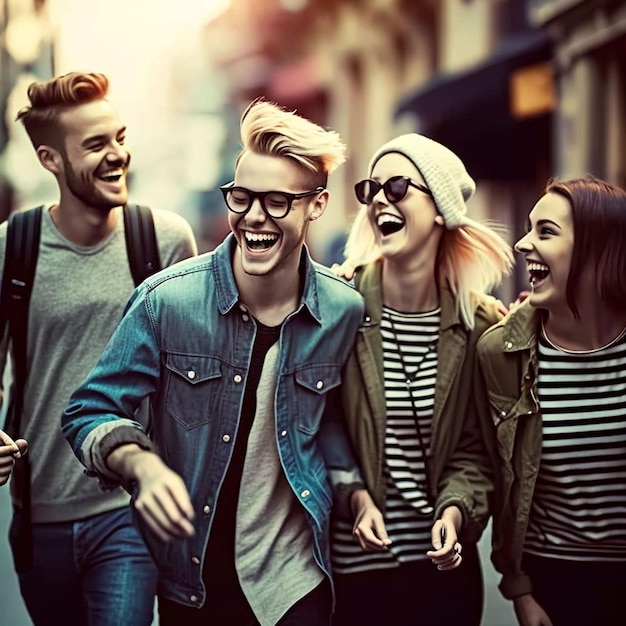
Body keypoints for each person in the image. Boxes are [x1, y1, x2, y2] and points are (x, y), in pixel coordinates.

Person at [62, 99, 366, 626]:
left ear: (316, 205)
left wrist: (350, 491)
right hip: (194, 583)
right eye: (242, 197)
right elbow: (87, 412)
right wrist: (144, 464)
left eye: (276, 202)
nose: (253, 217)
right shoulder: (167, 302)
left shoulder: (343, 309)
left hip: (295, 578)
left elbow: (327, 422)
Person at [0, 71, 197, 626]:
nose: (117, 156)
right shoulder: (12, 249)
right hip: (41, 514)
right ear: (50, 160)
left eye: (120, 137)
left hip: (129, 509)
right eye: (95, 145)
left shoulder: (164, 240)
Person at [330, 133, 513, 626]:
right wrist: (354, 495)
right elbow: (313, 428)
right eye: (370, 189)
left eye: (396, 186)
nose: (378, 201)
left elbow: (477, 453)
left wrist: (454, 514)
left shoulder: (481, 326)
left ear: (441, 208)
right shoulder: (339, 307)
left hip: (442, 576)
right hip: (355, 574)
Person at [476, 176, 626, 626]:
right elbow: (498, 477)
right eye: (529, 228)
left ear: (599, 250)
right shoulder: (500, 352)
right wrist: (521, 591)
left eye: (546, 232)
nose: (523, 244)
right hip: (553, 583)